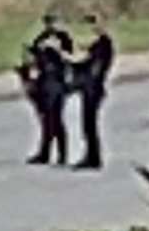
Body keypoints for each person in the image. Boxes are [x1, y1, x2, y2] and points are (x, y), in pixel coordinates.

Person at [25, 13, 73, 166]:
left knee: (57, 118)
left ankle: (62, 153)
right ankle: (44, 153)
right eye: (48, 23)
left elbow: (70, 58)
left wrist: (57, 49)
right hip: (44, 81)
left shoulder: (63, 38)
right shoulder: (41, 38)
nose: (50, 26)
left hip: (58, 82)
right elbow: (33, 59)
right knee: (45, 119)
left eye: (53, 22)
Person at [75, 14, 115, 170]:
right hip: (90, 87)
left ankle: (93, 157)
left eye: (97, 24)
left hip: (94, 88)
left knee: (89, 123)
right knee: (87, 124)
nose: (94, 28)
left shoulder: (104, 45)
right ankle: (91, 155)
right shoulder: (99, 44)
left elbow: (95, 67)